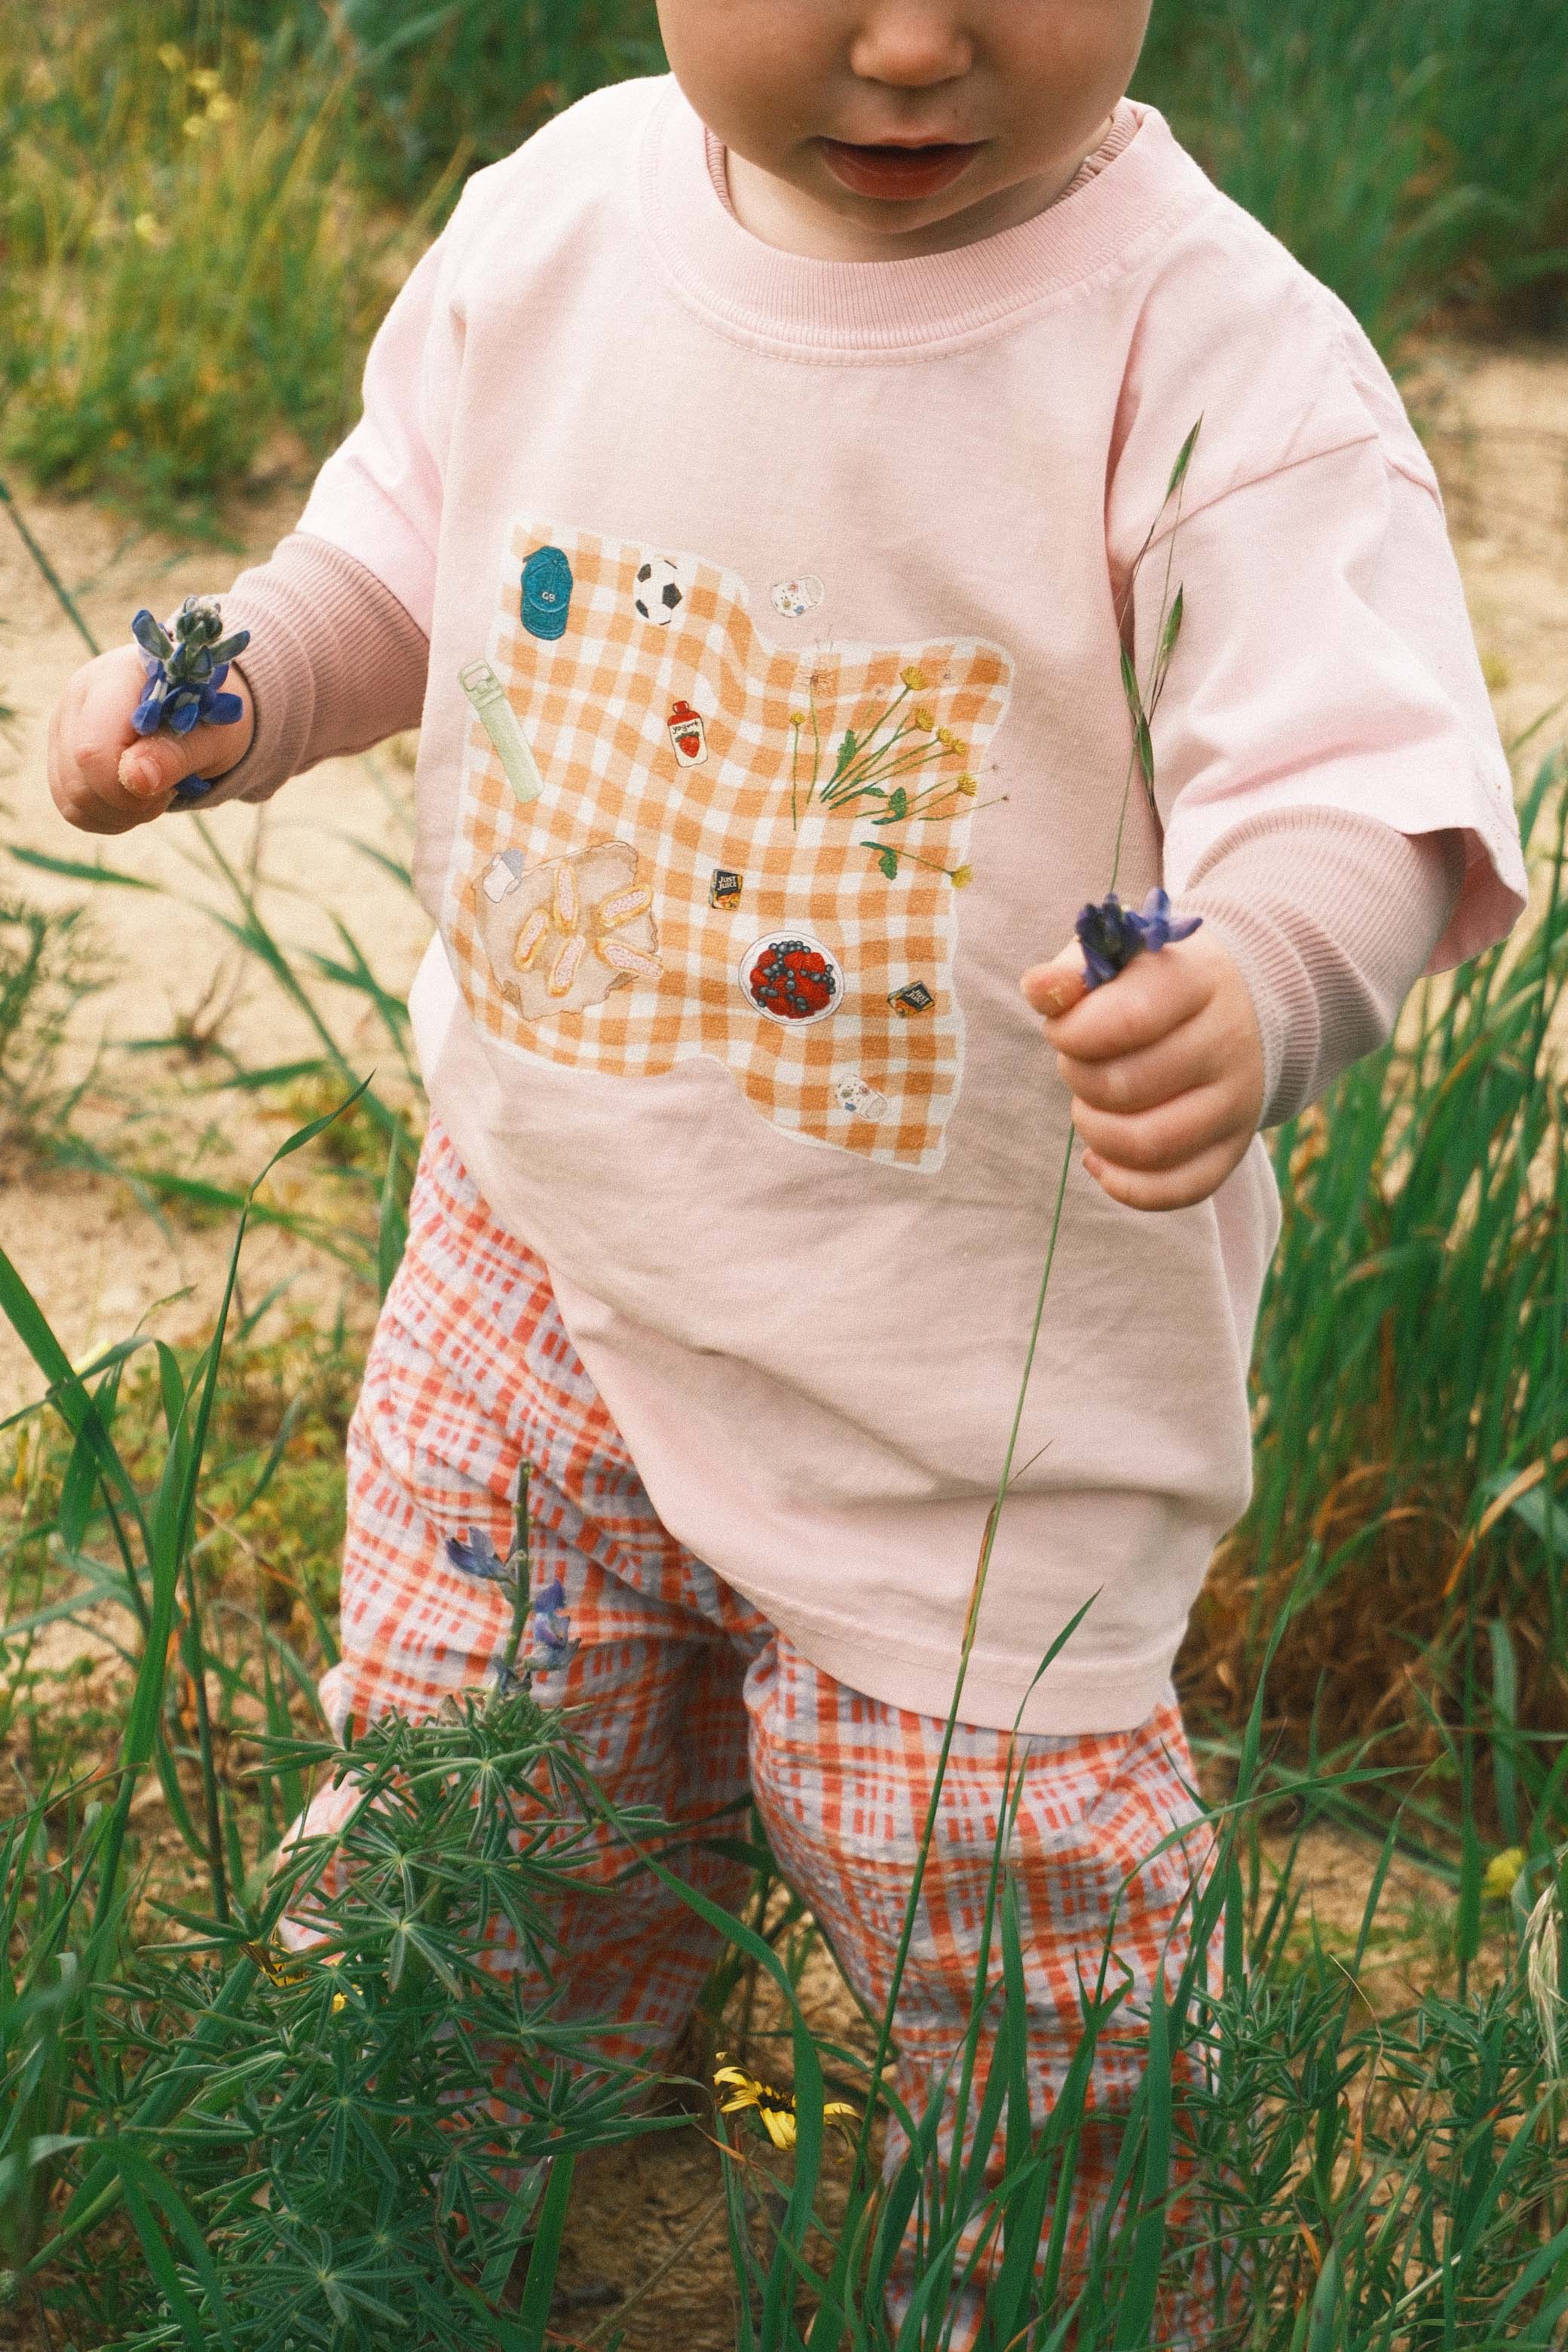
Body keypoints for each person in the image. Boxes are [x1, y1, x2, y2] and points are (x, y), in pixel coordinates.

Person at [44, 2, 1527, 2336]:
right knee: (478, 1798)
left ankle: (1058, 2278)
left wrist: (1260, 971)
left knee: (1009, 1915)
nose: (913, 41)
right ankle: (444, 2167)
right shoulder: (559, 219)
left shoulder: (1217, 358)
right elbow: (410, 555)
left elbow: (1359, 781)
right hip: (534, 1260)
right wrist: (243, 688)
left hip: (963, 1388)